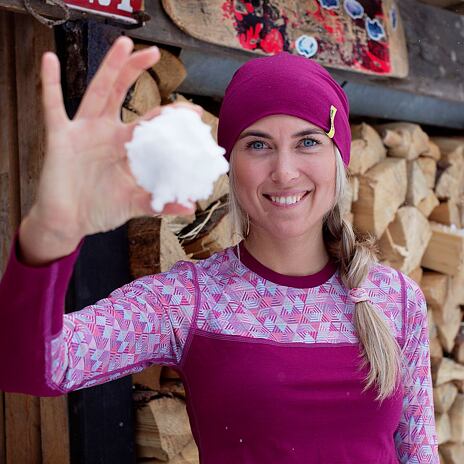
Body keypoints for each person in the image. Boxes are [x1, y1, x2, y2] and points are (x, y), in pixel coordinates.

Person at [0, 36, 438, 463]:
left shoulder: (395, 299)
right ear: (230, 164)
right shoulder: (190, 300)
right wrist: (51, 233)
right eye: (258, 144)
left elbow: (419, 453)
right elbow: (31, 366)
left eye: (308, 142)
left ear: (338, 158)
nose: (285, 172)